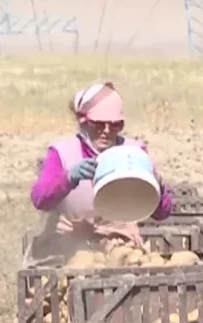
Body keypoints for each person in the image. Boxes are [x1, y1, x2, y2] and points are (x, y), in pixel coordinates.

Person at [28, 82, 174, 264]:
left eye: (114, 125)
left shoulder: (133, 152)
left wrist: (158, 186)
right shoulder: (62, 153)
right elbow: (40, 199)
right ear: (83, 122)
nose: (106, 131)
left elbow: (162, 213)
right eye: (98, 124)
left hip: (122, 249)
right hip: (68, 248)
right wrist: (68, 178)